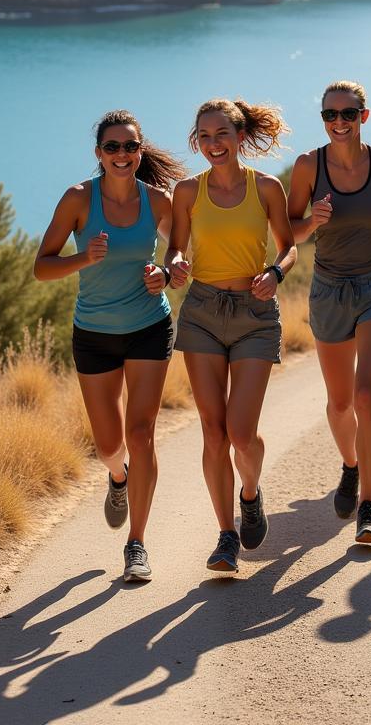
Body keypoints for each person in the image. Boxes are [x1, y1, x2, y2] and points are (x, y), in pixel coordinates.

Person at [34, 110, 184, 583]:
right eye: (113, 147)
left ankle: (137, 543)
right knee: (108, 445)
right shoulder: (79, 199)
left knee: (141, 436)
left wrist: (168, 271)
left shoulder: (158, 200)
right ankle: (118, 478)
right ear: (99, 154)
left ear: (140, 152)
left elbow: (182, 253)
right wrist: (84, 257)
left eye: (130, 147)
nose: (123, 154)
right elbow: (42, 267)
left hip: (148, 326)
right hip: (94, 331)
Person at [287, 80, 371, 544]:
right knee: (341, 402)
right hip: (329, 290)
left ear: (364, 117)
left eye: (348, 114)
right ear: (323, 119)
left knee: (368, 395)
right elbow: (290, 231)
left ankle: (368, 505)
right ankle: (350, 464)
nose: (338, 123)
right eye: (330, 115)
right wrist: (312, 221)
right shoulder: (308, 166)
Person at [166, 98, 297, 574]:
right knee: (213, 431)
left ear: (239, 137)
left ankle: (250, 493)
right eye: (205, 136)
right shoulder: (187, 191)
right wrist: (175, 265)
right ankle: (226, 535)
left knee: (242, 432)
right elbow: (176, 248)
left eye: (222, 134)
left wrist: (275, 275)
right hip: (201, 311)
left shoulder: (266, 188)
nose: (213, 144)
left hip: (255, 313)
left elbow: (289, 248)